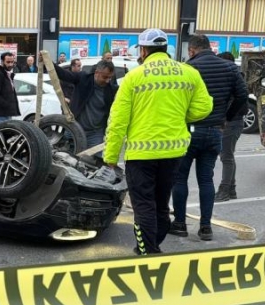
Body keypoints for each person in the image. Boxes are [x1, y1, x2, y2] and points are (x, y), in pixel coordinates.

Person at [104, 28, 213, 255]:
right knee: (161, 204)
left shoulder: (134, 77)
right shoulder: (188, 72)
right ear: (166, 49)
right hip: (174, 152)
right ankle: (155, 246)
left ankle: (148, 252)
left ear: (143, 50)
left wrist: (111, 157)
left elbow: (118, 121)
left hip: (141, 155)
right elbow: (204, 106)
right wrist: (181, 115)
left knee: (143, 206)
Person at [170, 34, 248, 241]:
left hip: (189, 131)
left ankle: (179, 224)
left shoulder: (187, 68)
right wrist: (226, 117)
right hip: (215, 130)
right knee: (206, 179)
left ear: (192, 50)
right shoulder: (229, 68)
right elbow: (243, 95)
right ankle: (205, 228)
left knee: (180, 178)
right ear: (209, 47)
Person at [52, 59, 117, 151]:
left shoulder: (111, 90)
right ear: (97, 72)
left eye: (110, 77)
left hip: (95, 134)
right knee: (67, 159)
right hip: (74, 129)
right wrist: (49, 62)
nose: (107, 80)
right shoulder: (83, 78)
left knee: (97, 162)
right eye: (105, 77)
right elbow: (64, 74)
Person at [215, 51, 248, 202]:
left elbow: (242, 105)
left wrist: (227, 117)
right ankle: (231, 189)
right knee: (227, 155)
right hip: (233, 121)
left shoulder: (234, 79)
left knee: (226, 156)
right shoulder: (235, 77)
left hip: (232, 122)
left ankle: (225, 189)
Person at [0, 51, 20, 123]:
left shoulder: (8, 74)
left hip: (6, 112)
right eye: (8, 62)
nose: (10, 64)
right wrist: (6, 105)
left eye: (12, 62)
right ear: (2, 62)